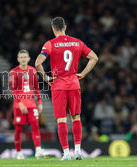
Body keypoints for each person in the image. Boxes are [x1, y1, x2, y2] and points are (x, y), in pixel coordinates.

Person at [35, 17, 98, 160]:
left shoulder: (50, 44)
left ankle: (66, 153)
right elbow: (94, 58)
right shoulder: (77, 42)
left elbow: (38, 63)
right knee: (76, 118)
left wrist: (46, 78)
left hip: (58, 85)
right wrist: (82, 73)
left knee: (61, 120)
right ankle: (78, 152)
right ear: (65, 27)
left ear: (53, 29)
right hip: (74, 84)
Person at [9, 50, 45, 159]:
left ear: (29, 59)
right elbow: (13, 90)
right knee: (19, 129)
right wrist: (20, 103)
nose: (23, 59)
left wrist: (39, 102)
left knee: (35, 126)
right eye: (21, 57)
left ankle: (38, 150)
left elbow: (36, 88)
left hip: (31, 105)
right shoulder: (13, 72)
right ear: (18, 59)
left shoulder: (33, 71)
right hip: (19, 106)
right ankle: (19, 153)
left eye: (25, 57)